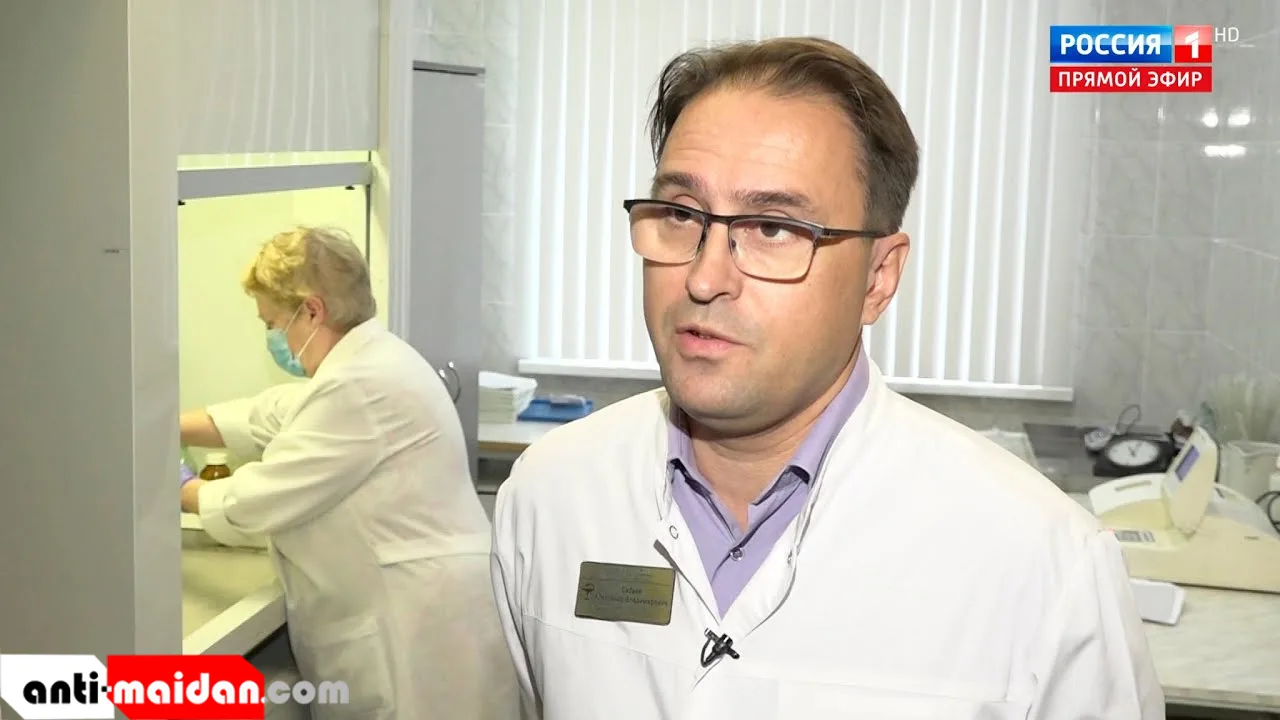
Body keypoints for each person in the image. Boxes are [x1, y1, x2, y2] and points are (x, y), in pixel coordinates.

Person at [490, 38, 1163, 719]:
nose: (704, 277)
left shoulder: (1044, 565)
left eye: (773, 228)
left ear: (878, 277)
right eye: (681, 215)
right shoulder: (549, 498)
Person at [180, 226, 517, 720]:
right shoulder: (371, 362)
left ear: (312, 311)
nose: (273, 338)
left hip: (417, 636)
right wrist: (164, 426)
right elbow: (268, 414)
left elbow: (255, 501)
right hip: (426, 615)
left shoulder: (360, 385)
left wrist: (178, 488)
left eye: (273, 323)